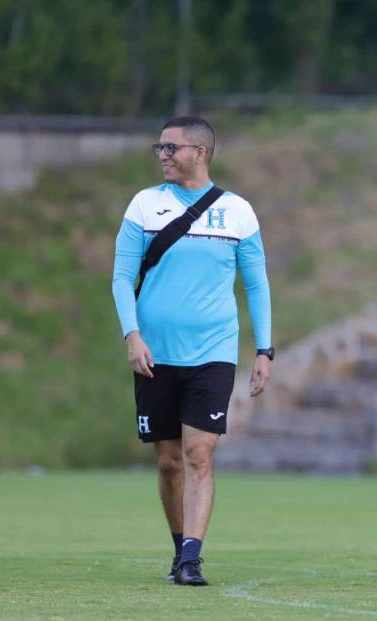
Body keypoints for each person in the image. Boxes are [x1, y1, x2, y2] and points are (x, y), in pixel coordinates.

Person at [111, 116, 274, 587]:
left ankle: (191, 558)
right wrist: (132, 335)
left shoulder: (238, 211)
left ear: (199, 153)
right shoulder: (144, 205)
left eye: (170, 147)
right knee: (168, 460)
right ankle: (178, 543)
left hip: (213, 352)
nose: (161, 155)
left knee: (199, 453)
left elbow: (257, 284)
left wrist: (265, 350)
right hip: (154, 354)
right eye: (158, 148)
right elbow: (122, 277)